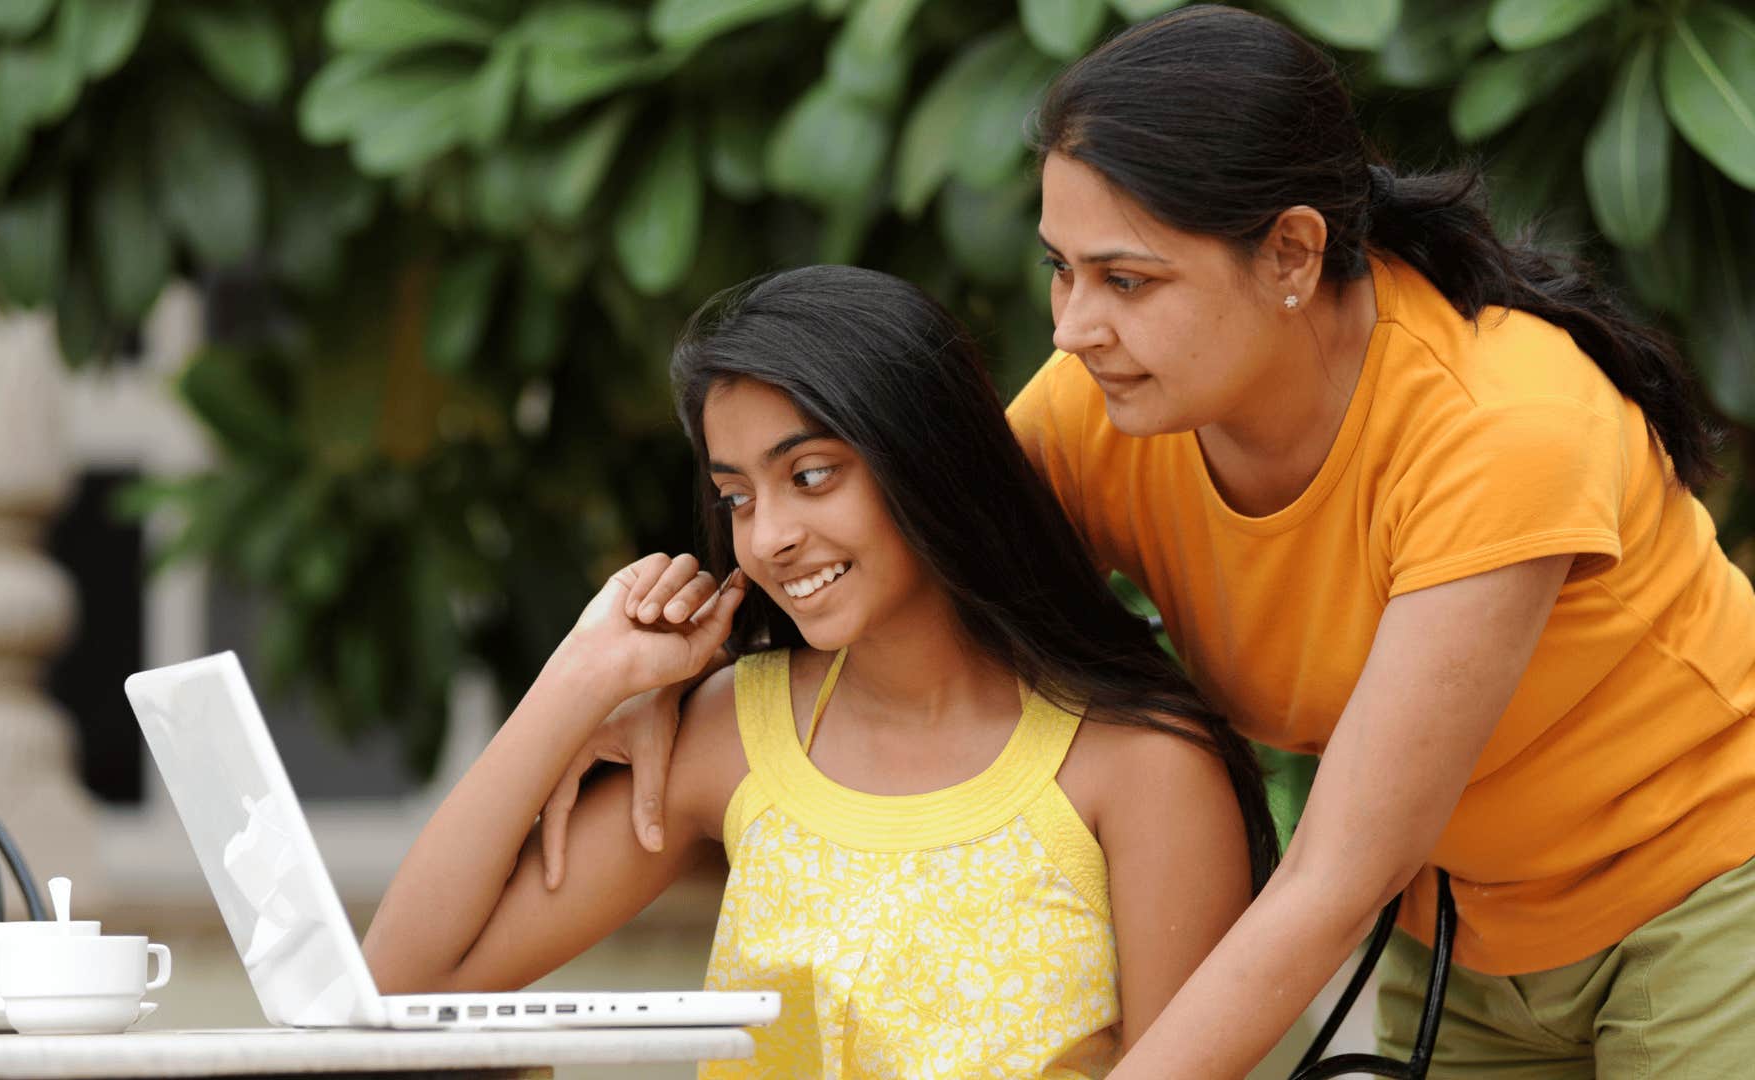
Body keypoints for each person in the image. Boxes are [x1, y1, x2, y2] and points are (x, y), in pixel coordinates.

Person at [541, 6, 1755, 1077]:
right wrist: (672, 672)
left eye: (1128, 280)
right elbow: (914, 570)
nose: (1073, 329)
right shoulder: (1111, 410)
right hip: (1473, 948)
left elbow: (1333, 880)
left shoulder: (1502, 431)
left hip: (1710, 893)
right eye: (1062, 272)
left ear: (1290, 252)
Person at [363, 265, 1278, 1076]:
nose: (769, 537)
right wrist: (579, 679)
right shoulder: (737, 733)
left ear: (928, 461)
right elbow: (400, 989)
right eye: (736, 497)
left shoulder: (1141, 765)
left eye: (810, 476)